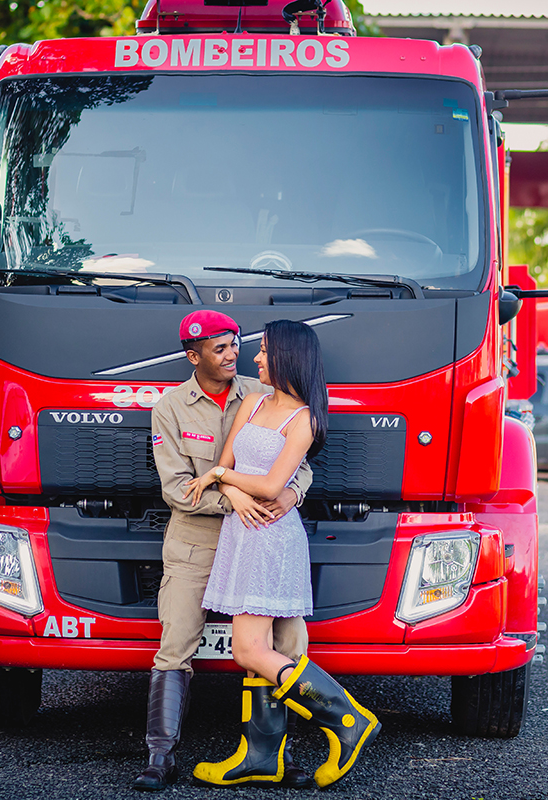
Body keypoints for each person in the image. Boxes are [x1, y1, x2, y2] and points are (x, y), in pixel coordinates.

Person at [186, 320, 380, 790]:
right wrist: (228, 486)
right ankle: (261, 757)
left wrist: (218, 478)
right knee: (260, 650)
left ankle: (347, 718)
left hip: (271, 536)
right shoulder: (252, 403)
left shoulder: (305, 419)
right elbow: (227, 465)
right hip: (242, 529)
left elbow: (273, 485)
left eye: (264, 350)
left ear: (288, 357)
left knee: (248, 649)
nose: (254, 358)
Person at [135, 310, 313, 792]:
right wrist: (235, 498)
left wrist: (291, 495)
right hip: (197, 541)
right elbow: (178, 487)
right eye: (220, 349)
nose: (235, 354)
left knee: (286, 643)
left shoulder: (263, 394)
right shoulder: (170, 407)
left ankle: (275, 755)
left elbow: (300, 465)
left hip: (260, 539)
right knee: (175, 644)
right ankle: (160, 757)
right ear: (194, 357)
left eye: (236, 344)